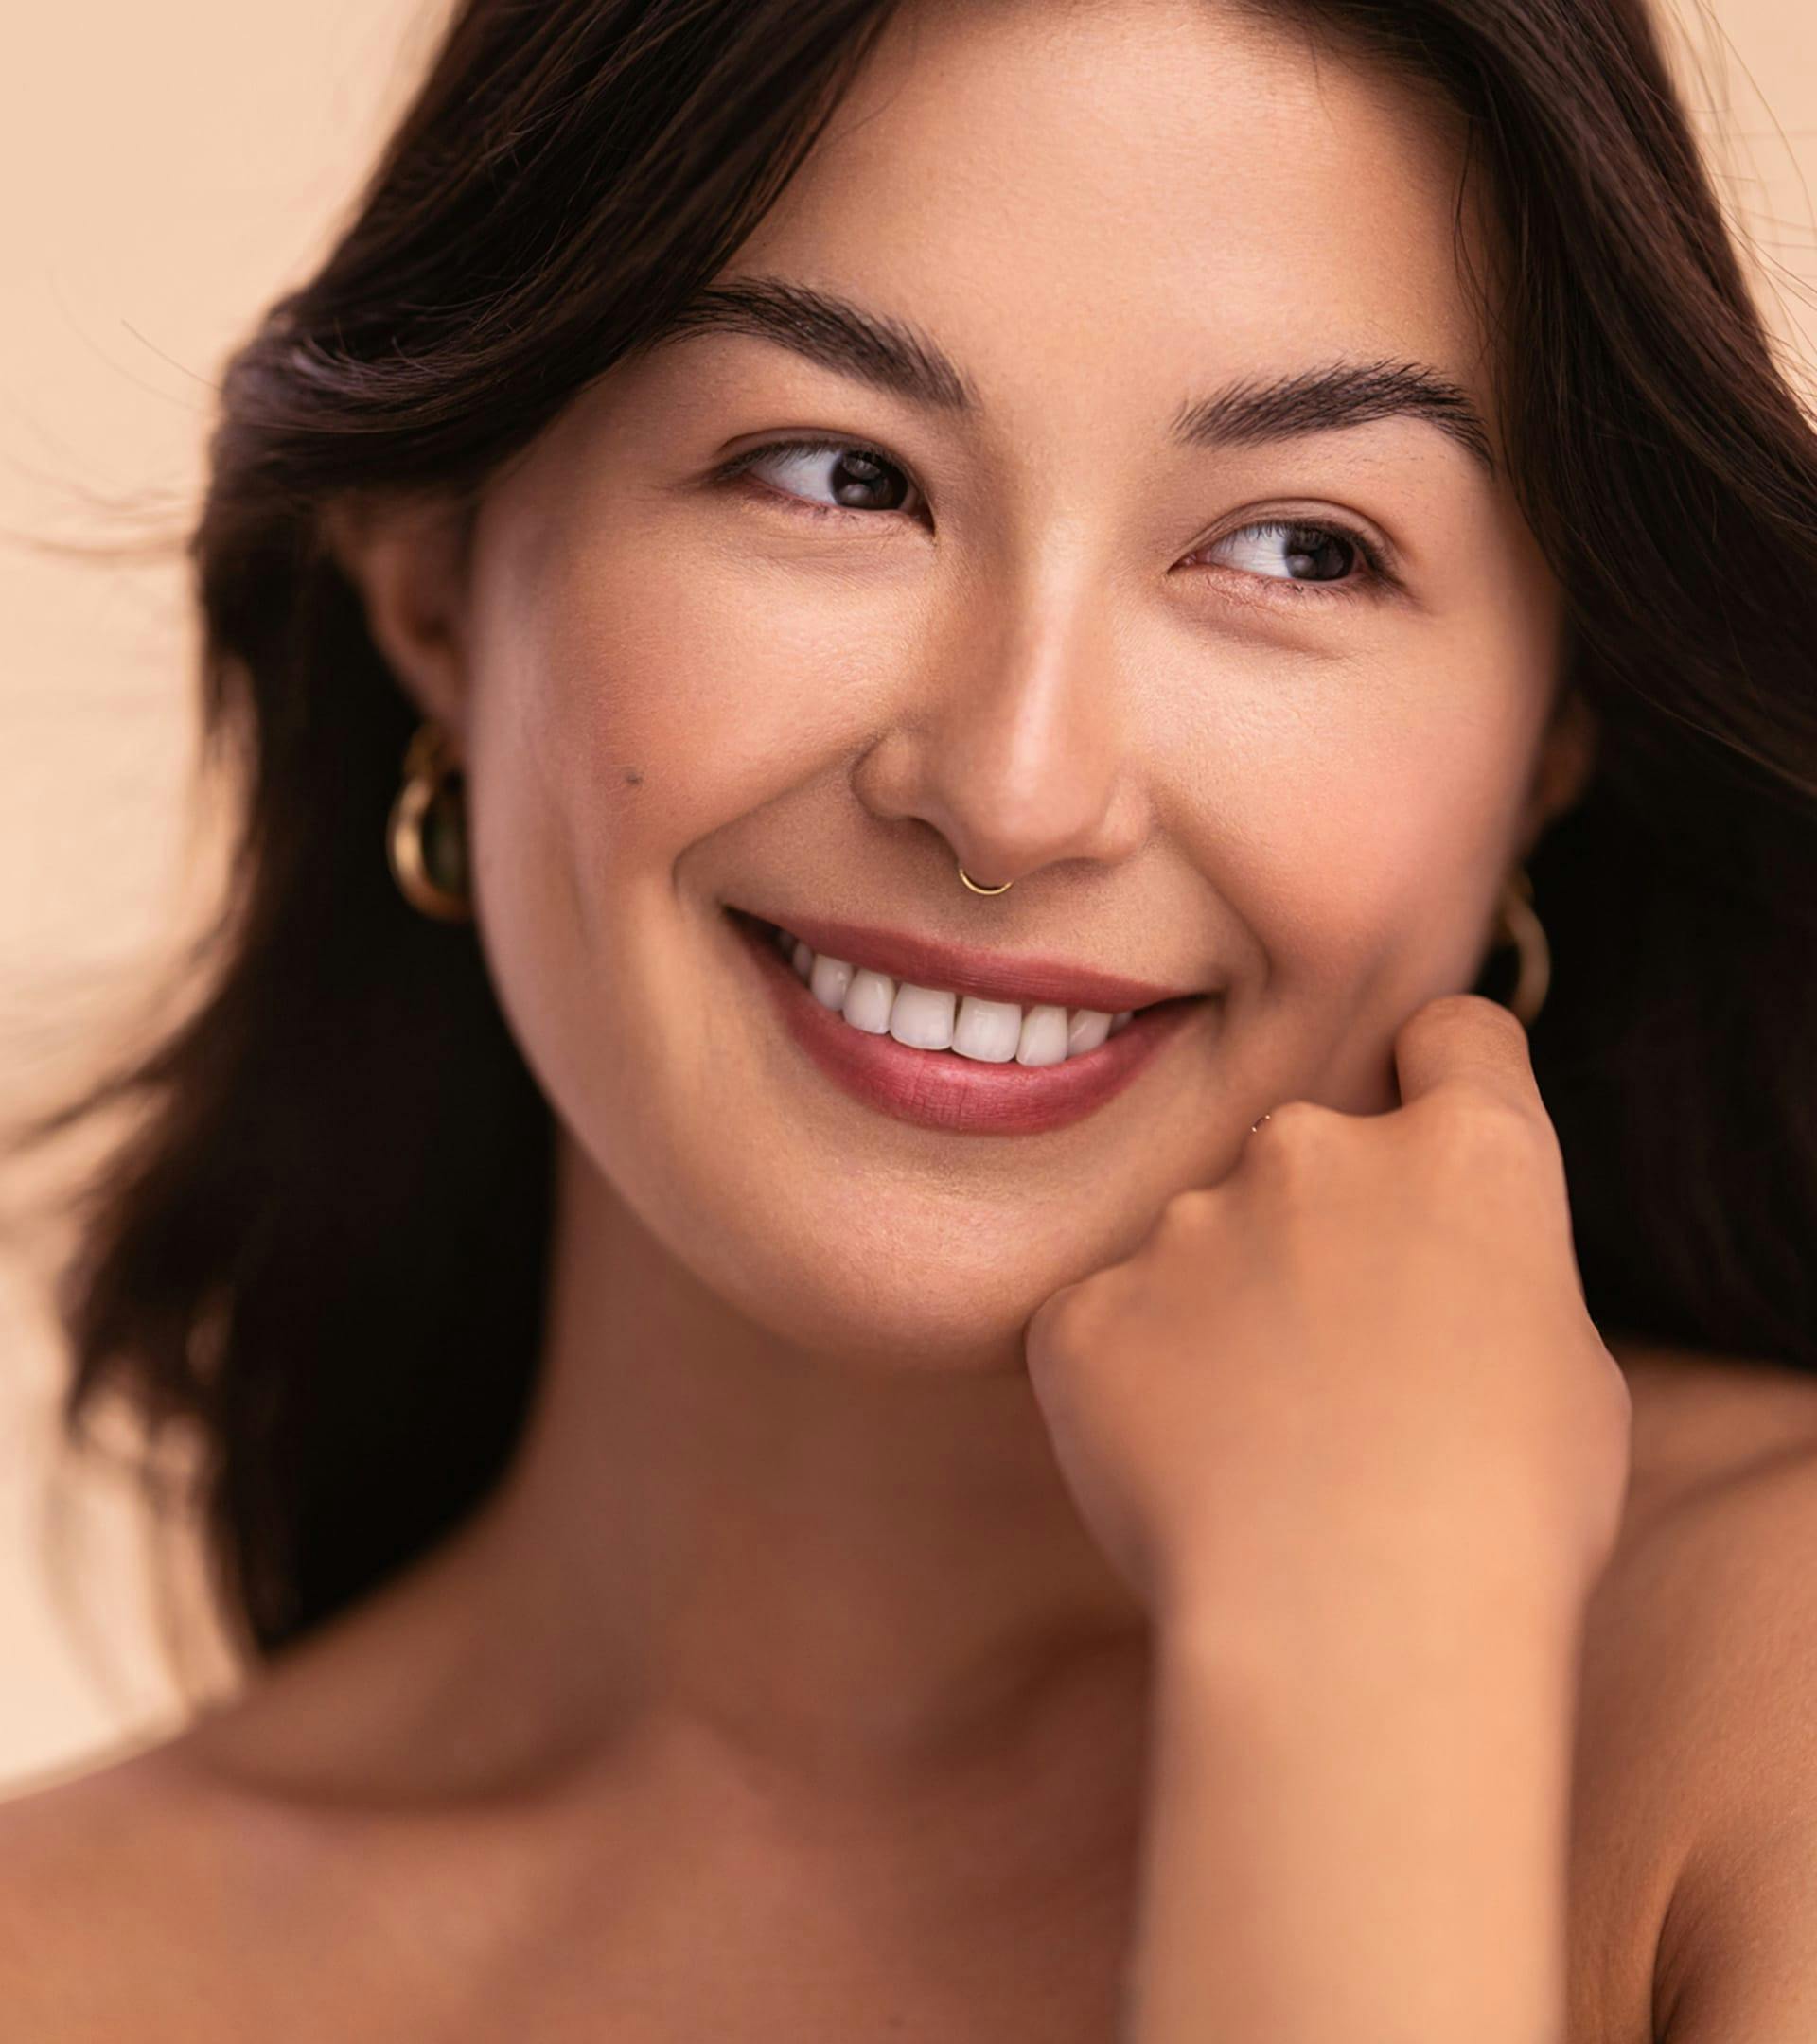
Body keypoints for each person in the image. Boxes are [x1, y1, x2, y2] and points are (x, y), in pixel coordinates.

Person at [3, 0, 1816, 2034]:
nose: (1018, 787)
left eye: (1302, 546)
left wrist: (1368, 1662)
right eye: (835, 473)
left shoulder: (1765, 1705)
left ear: (1554, 729)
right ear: (434, 573)